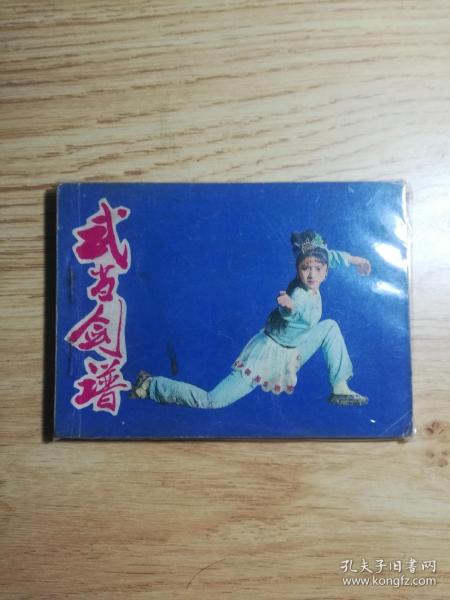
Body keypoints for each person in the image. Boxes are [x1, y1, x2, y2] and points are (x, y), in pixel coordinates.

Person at [130, 230, 371, 408]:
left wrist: (357, 261)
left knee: (330, 327)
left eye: (318, 269)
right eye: (305, 268)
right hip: (266, 355)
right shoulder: (298, 295)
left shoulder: (322, 266)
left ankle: (339, 387)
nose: (311, 274)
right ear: (298, 270)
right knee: (212, 401)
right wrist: (288, 307)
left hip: (295, 348)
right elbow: (292, 312)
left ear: (326, 271)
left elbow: (332, 256)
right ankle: (151, 385)